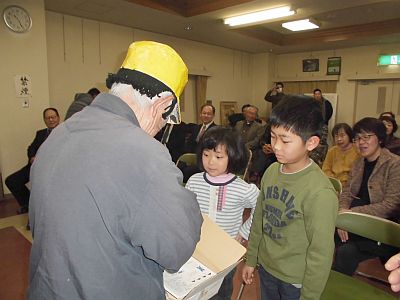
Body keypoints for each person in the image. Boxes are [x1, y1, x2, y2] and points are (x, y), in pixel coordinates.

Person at [28, 41, 203, 299]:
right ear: (163, 105)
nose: (160, 127)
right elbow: (176, 247)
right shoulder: (145, 153)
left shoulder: (60, 134)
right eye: (166, 118)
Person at [242, 95, 338, 300]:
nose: (275, 146)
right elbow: (259, 219)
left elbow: (320, 253)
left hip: (295, 280)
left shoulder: (320, 193)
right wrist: (251, 259)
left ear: (311, 143)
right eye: (273, 136)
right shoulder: (271, 172)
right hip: (267, 267)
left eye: (285, 140)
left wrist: (309, 296)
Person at [186, 126, 259, 300]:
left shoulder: (242, 188)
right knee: (195, 288)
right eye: (206, 155)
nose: (211, 162)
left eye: (218, 157)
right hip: (197, 248)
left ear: (233, 157)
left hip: (226, 254)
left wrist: (243, 232)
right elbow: (186, 210)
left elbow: (261, 207)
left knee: (221, 292)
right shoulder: (194, 181)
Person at [333, 117, 400, 276]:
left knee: (346, 252)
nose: (361, 142)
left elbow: (390, 205)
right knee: (323, 235)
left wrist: (350, 216)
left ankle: (339, 287)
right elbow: (348, 191)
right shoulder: (359, 163)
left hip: (383, 228)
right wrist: (343, 214)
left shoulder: (394, 164)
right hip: (355, 223)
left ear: (380, 138)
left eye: (366, 137)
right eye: (357, 138)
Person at [5, 108, 60, 215]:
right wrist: (32, 157)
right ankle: (28, 205)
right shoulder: (40, 133)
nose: (51, 120)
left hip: (51, 170)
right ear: (44, 120)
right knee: (11, 181)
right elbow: (31, 148)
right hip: (34, 167)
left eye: (53, 117)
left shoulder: (63, 133)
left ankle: (39, 211)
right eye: (48, 118)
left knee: (40, 188)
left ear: (58, 118)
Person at [322, 123, 360, 187]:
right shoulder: (332, 151)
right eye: (336, 136)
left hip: (352, 185)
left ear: (349, 136)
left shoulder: (357, 150)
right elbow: (326, 169)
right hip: (334, 184)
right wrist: (335, 181)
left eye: (342, 136)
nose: (339, 139)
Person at [310, 88, 333, 165]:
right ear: (314, 95)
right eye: (316, 94)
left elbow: (330, 112)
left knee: (322, 142)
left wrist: (325, 120)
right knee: (314, 141)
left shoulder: (326, 103)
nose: (317, 96)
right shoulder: (311, 103)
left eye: (318, 94)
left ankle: (322, 159)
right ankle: (314, 159)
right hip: (314, 125)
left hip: (323, 125)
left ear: (321, 94)